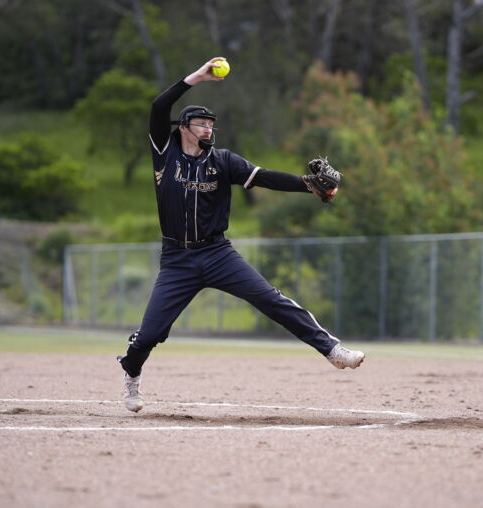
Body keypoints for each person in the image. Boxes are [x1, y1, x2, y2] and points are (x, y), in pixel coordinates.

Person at [116, 57, 364, 412]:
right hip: (177, 260)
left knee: (271, 299)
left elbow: (264, 177)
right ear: (183, 127)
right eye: (200, 124)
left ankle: (332, 350)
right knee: (151, 334)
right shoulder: (164, 153)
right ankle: (131, 373)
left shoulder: (223, 161)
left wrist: (308, 186)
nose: (207, 129)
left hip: (217, 254)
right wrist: (198, 77)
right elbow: (159, 105)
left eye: (210, 125)